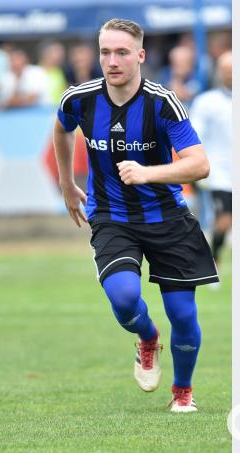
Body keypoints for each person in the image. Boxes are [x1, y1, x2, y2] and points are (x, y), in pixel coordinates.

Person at [53, 18, 218, 412]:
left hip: (166, 217)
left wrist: (148, 173)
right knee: (125, 299)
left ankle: (182, 393)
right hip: (111, 216)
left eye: (122, 52)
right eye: (105, 52)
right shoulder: (79, 99)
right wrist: (66, 183)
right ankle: (147, 337)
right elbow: (61, 130)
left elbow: (199, 165)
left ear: (140, 55)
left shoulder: (163, 103)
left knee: (183, 313)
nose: (112, 61)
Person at [190, 51, 232, 269]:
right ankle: (214, 260)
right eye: (226, 70)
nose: (230, 74)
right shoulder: (207, 102)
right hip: (220, 173)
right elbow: (194, 135)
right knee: (224, 219)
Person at [37, 40, 68, 105]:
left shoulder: (61, 71)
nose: (61, 55)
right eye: (57, 52)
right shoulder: (34, 72)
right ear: (46, 54)